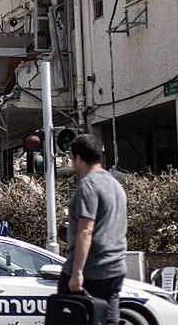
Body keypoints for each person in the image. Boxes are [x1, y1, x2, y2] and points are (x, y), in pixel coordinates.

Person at [59, 134, 127, 325]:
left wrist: (77, 272)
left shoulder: (88, 185)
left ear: (78, 158)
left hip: (90, 269)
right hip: (115, 267)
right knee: (108, 321)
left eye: (71, 158)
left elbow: (85, 231)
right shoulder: (115, 185)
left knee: (65, 318)